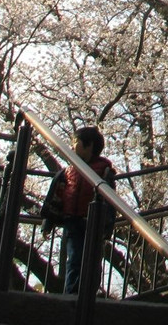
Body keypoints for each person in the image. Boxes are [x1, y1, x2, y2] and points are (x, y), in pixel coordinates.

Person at [43, 126, 115, 294]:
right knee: (74, 259)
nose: (72, 146)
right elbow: (56, 197)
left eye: (76, 142)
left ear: (89, 145)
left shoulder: (103, 171)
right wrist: (48, 221)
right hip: (72, 221)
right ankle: (72, 294)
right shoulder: (68, 172)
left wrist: (108, 224)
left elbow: (110, 200)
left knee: (92, 260)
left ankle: (89, 293)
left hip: (93, 222)